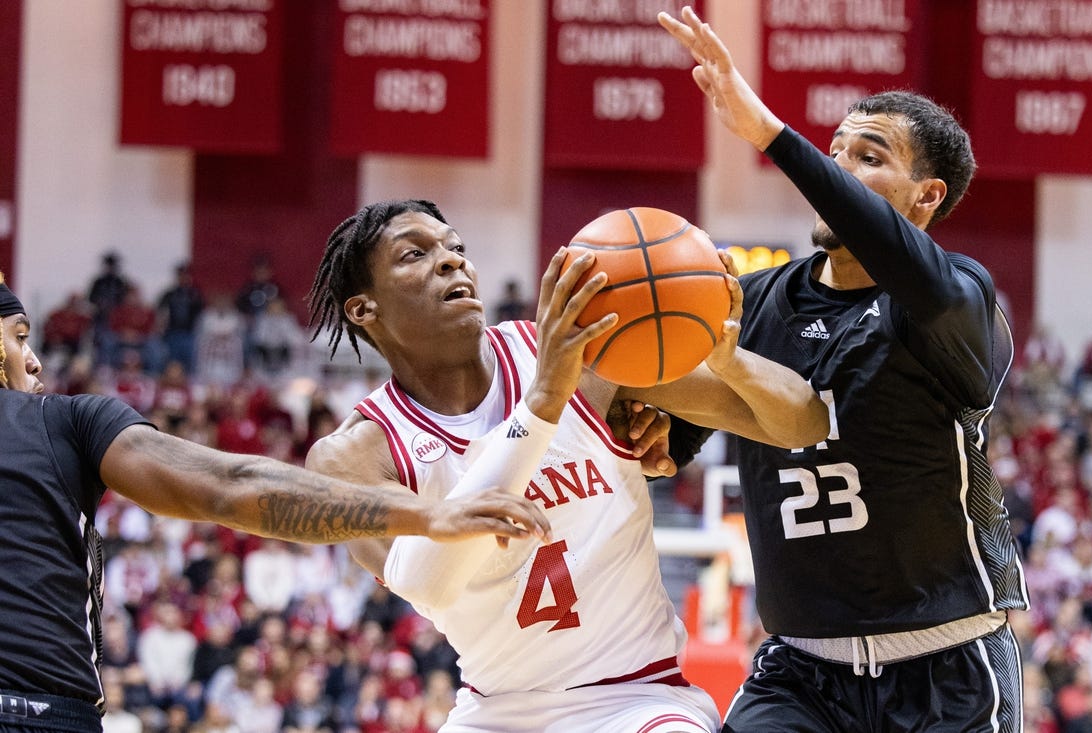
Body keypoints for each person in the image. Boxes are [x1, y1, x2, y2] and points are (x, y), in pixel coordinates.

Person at [304, 198, 829, 733]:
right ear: (363, 308)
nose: (451, 260)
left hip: (639, 699)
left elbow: (802, 422)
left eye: (456, 247)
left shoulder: (589, 354)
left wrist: (728, 360)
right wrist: (544, 405)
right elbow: (430, 584)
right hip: (495, 710)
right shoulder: (352, 457)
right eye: (415, 254)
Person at [658, 7, 1028, 732]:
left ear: (927, 197)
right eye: (834, 151)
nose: (836, 169)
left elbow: (911, 270)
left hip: (945, 665)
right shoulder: (752, 300)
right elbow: (670, 443)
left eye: (868, 156)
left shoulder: (958, 300)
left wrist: (769, 133)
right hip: (800, 669)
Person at [0, 273, 550, 732]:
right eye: (20, 338)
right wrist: (428, 514)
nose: (35, 362)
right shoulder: (60, 421)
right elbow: (232, 485)